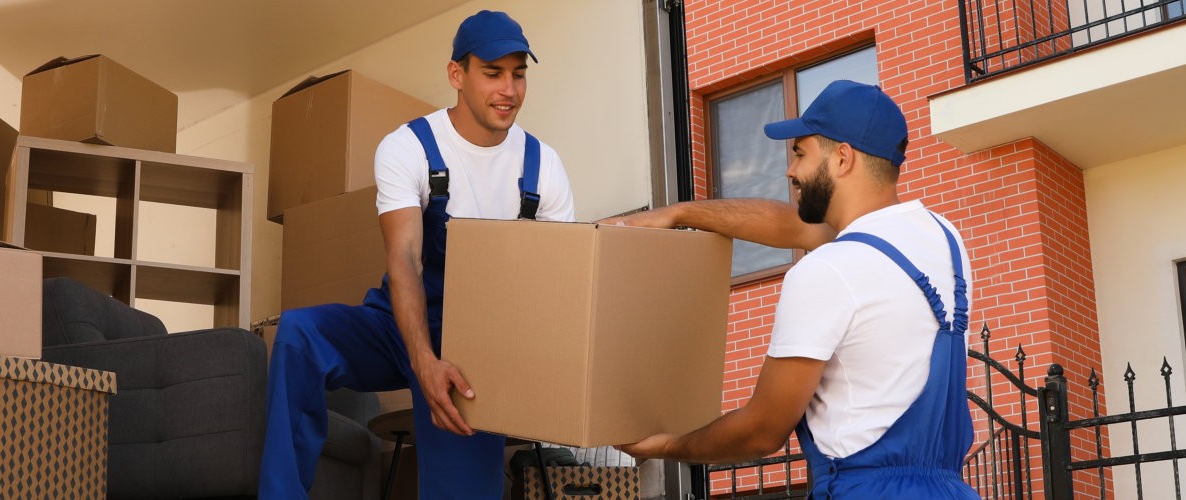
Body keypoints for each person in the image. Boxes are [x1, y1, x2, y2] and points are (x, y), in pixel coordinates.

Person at [607, 81, 979, 499]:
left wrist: (668, 444)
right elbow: (795, 226)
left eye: (800, 153)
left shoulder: (828, 270)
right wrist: (680, 214)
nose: (790, 170)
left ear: (842, 158)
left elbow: (763, 432)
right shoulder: (945, 241)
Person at [258, 10, 574, 498]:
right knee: (300, 336)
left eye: (518, 73)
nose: (508, 89)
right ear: (457, 74)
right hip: (396, 324)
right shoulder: (409, 147)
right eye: (492, 73)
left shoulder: (542, 166)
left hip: (476, 346)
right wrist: (423, 360)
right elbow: (404, 258)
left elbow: (553, 282)